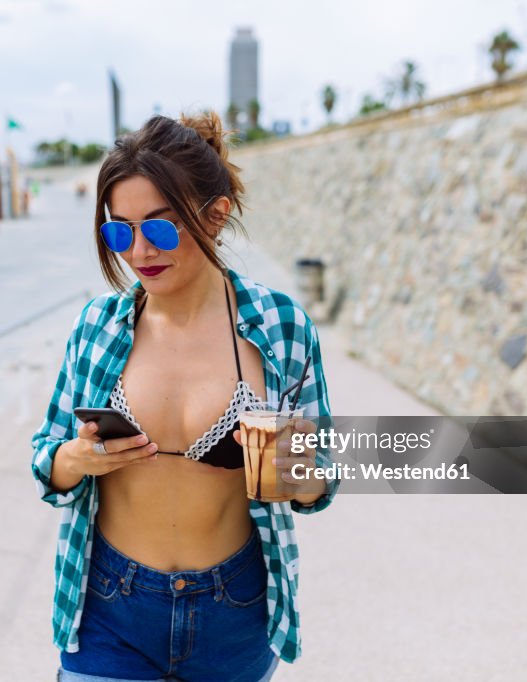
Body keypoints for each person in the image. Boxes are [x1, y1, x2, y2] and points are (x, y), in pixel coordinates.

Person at [31, 112, 336, 682]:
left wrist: (283, 460)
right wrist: (72, 459)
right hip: (110, 603)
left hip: (234, 607)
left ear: (215, 215)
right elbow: (46, 456)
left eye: (161, 228)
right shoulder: (97, 326)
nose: (139, 250)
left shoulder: (280, 325)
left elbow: (320, 486)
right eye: (119, 231)